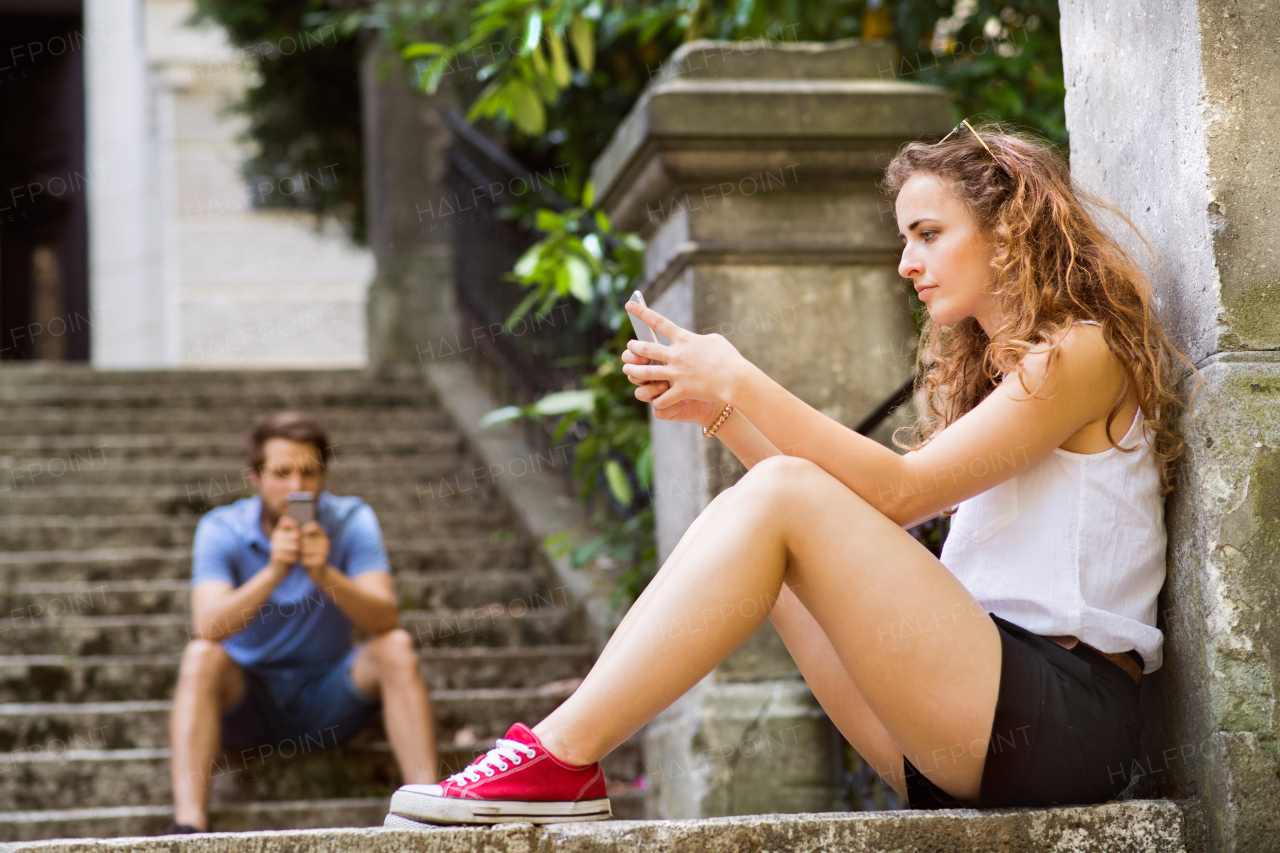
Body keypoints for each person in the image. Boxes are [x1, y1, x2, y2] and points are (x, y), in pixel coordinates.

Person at [383, 122, 1197, 826]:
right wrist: (720, 414)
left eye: (928, 233)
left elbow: (898, 494)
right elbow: (846, 522)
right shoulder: (999, 378)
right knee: (770, 542)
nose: (906, 263)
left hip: (1061, 721)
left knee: (783, 497)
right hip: (960, 724)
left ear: (1011, 227)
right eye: (904, 239)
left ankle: (557, 756)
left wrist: (739, 375)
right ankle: (560, 755)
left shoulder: (1082, 352)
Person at [165, 412, 438, 834]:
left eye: (309, 472)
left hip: (327, 698)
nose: (296, 487)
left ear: (324, 475)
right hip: (248, 700)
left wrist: (324, 573)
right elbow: (208, 627)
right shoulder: (221, 527)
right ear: (255, 477)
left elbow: (385, 616)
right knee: (201, 656)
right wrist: (274, 571)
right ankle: (188, 823)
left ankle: (428, 812)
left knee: (397, 647)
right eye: (282, 473)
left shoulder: (351, 520)